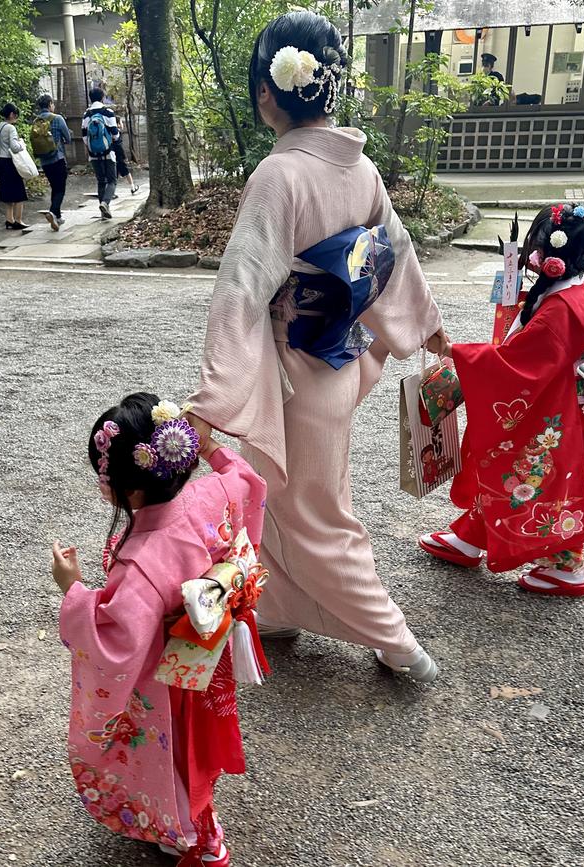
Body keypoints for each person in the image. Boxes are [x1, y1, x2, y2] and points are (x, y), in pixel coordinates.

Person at [186, 11, 447, 683]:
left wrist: (215, 395)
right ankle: (277, 605)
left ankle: (397, 641)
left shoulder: (280, 174)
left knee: (315, 510)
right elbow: (396, 252)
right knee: (274, 496)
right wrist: (428, 324)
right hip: (334, 360)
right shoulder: (359, 168)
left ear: (267, 93)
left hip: (296, 376)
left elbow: (244, 285)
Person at [51, 392, 268, 866]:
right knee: (195, 749)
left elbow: (114, 641)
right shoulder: (211, 495)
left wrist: (74, 592)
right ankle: (192, 825)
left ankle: (198, 838)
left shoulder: (143, 559)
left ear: (128, 491)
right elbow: (245, 478)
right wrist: (210, 448)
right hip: (208, 655)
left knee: (172, 756)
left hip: (167, 677)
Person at [419, 203, 584, 598]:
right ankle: (473, 534)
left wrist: (455, 352)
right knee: (521, 471)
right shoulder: (574, 291)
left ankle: (567, 567)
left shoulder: (561, 309)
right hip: (561, 405)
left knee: (528, 474)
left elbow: (515, 365)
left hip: (556, 412)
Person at [31, 94, 72, 231]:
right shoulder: (57, 118)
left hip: (44, 161)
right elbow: (68, 138)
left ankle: (57, 217)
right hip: (58, 158)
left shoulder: (36, 121)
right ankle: (53, 212)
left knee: (55, 186)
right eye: (52, 103)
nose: (53, 106)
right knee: (60, 188)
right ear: (49, 104)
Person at [81, 87, 120, 219]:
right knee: (112, 180)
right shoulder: (108, 112)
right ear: (103, 97)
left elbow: (84, 137)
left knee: (100, 181)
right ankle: (105, 203)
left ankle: (103, 213)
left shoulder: (87, 114)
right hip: (109, 152)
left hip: (93, 154)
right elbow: (115, 134)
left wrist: (91, 147)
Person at [0, 103, 29, 230]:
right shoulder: (11, 128)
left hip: (1, 161)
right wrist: (22, 144)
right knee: (19, 191)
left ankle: (9, 219)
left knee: (7, 192)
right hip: (10, 163)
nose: (17, 118)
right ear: (11, 114)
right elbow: (14, 147)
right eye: (16, 115)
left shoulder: (0, 126)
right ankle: (18, 220)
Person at [113, 116, 140, 195]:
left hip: (113, 156)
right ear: (118, 124)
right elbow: (119, 146)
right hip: (119, 156)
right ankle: (132, 187)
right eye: (121, 122)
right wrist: (124, 157)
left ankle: (112, 191)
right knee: (126, 172)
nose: (122, 124)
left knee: (114, 174)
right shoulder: (117, 133)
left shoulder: (111, 133)